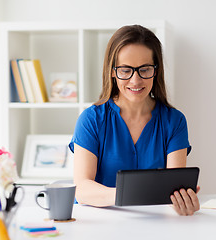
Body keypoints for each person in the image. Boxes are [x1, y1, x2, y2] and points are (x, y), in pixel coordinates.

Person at [69, 25, 200, 216]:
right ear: (112, 71)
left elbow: (173, 190)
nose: (135, 80)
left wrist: (182, 202)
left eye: (144, 69)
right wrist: (128, 195)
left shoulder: (175, 121)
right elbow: (82, 189)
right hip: (101, 224)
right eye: (125, 70)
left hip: (156, 224)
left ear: (156, 70)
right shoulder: (91, 120)